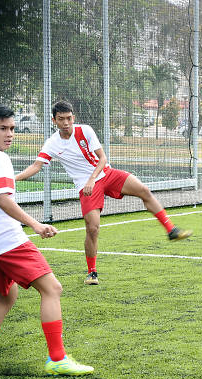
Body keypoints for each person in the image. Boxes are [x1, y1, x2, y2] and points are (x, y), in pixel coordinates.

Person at [16, 100, 192, 285]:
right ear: (54, 121)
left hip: (106, 174)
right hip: (86, 187)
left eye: (69, 118)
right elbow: (37, 166)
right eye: (61, 119)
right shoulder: (52, 143)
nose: (66, 122)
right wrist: (14, 179)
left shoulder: (85, 130)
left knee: (144, 190)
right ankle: (92, 273)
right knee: (92, 229)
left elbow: (103, 158)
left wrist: (92, 178)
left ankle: (171, 229)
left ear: (73, 117)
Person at [0, 104, 94, 375]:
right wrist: (35, 224)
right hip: (5, 238)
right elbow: (2, 198)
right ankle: (57, 359)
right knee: (52, 289)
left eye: (12, 129)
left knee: (6, 298)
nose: (9, 134)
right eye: (2, 129)